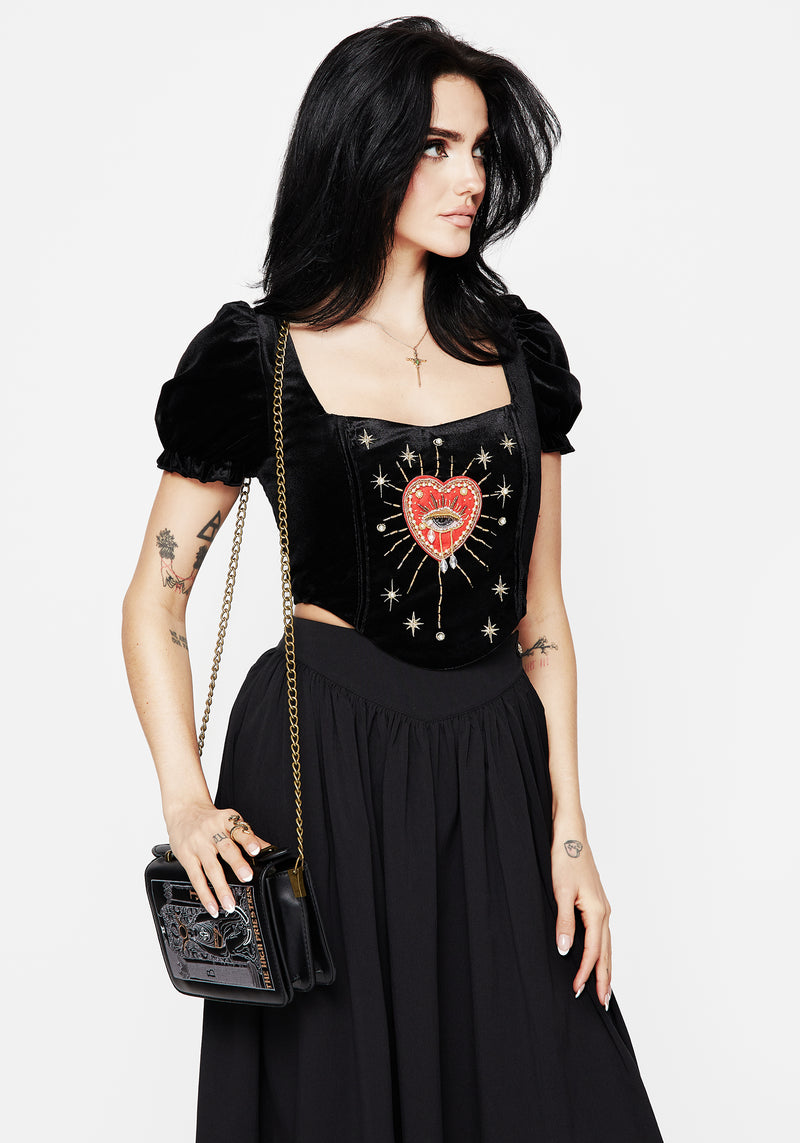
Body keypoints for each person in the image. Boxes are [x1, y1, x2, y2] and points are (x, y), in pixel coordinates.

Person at [122, 15, 664, 1143]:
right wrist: (184, 798)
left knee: (553, 1082)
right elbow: (156, 595)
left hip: (492, 758)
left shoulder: (520, 353)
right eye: (434, 146)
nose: (470, 177)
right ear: (360, 152)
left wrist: (570, 831)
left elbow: (542, 617)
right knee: (339, 1099)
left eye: (479, 149)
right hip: (321, 759)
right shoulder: (257, 357)